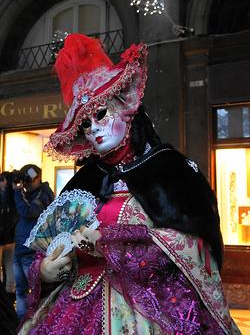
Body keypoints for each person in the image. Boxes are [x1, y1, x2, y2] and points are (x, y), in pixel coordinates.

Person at [19, 34, 240, 334]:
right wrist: (44, 270)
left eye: (100, 114)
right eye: (85, 124)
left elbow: (195, 247)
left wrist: (110, 244)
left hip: (150, 310)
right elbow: (57, 252)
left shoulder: (171, 171)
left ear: (126, 107)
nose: (94, 128)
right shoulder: (84, 183)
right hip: (75, 309)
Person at [12, 164, 54, 321]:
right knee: (20, 290)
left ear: (38, 178)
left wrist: (17, 193)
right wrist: (12, 188)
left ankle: (37, 323)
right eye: (25, 181)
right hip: (20, 249)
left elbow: (28, 212)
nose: (26, 184)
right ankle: (22, 323)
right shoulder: (27, 194)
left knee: (36, 290)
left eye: (29, 180)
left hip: (31, 251)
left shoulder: (43, 194)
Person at [0, 171, 18, 301]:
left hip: (8, 239)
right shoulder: (15, 197)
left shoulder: (9, 198)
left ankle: (8, 297)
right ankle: (10, 295)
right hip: (11, 238)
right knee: (10, 266)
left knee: (10, 267)